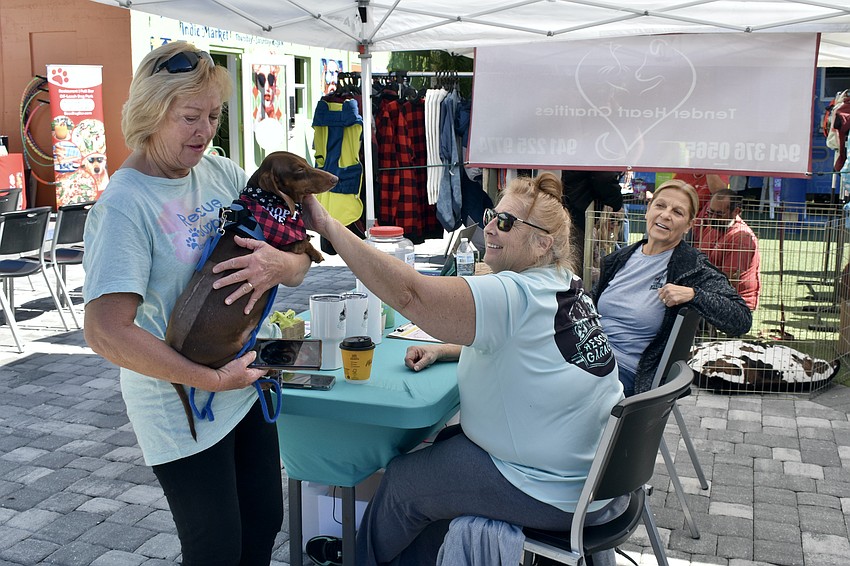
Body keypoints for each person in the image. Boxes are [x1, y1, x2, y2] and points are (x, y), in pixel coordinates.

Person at [300, 172, 626, 566]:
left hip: (548, 488)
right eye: (491, 215)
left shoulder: (512, 292)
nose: (489, 226)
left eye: (506, 222)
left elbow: (411, 294)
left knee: (404, 482)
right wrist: (447, 350)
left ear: (543, 243)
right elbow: (532, 347)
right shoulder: (564, 282)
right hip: (595, 479)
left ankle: (359, 557)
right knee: (440, 461)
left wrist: (329, 226)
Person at [82, 41, 311, 565]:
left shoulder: (221, 173)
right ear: (151, 112)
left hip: (242, 383)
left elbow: (299, 259)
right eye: (190, 117)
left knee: (263, 522)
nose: (205, 131)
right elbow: (106, 331)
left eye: (213, 116)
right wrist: (209, 379)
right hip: (177, 402)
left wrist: (280, 265)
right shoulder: (125, 205)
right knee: (215, 549)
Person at [592, 179, 752, 397]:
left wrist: (694, 295)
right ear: (648, 210)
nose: (665, 215)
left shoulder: (691, 267)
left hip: (628, 373)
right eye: (660, 206)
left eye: (677, 212)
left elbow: (741, 319)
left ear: (688, 225)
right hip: (589, 356)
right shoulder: (618, 259)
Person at [693, 189, 761, 310]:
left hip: (736, 302)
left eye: (719, 214)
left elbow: (728, 281)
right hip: (711, 292)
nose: (713, 218)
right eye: (710, 212)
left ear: (736, 212)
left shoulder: (742, 238)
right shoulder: (714, 226)